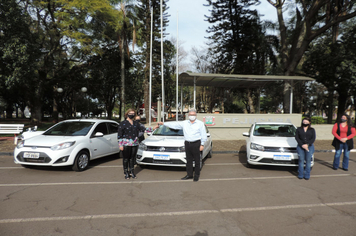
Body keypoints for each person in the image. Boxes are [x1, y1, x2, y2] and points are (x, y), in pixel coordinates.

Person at [158, 108, 207, 182]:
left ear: (196, 115)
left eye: (193, 115)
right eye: (190, 115)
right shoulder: (185, 123)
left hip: (196, 143)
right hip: (187, 143)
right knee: (189, 161)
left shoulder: (200, 124)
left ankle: (196, 175)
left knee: (197, 161)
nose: (192, 116)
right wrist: (164, 123)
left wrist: (202, 144)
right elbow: (174, 124)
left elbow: (203, 135)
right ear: (188, 115)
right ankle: (189, 175)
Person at [118, 109, 159, 179]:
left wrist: (154, 128)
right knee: (126, 159)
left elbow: (144, 129)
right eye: (130, 113)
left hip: (135, 143)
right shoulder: (123, 123)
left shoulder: (136, 123)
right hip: (126, 143)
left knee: (132, 158)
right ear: (127, 114)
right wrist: (120, 145)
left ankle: (131, 171)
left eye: (133, 113)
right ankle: (126, 172)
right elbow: (119, 135)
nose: (132, 114)